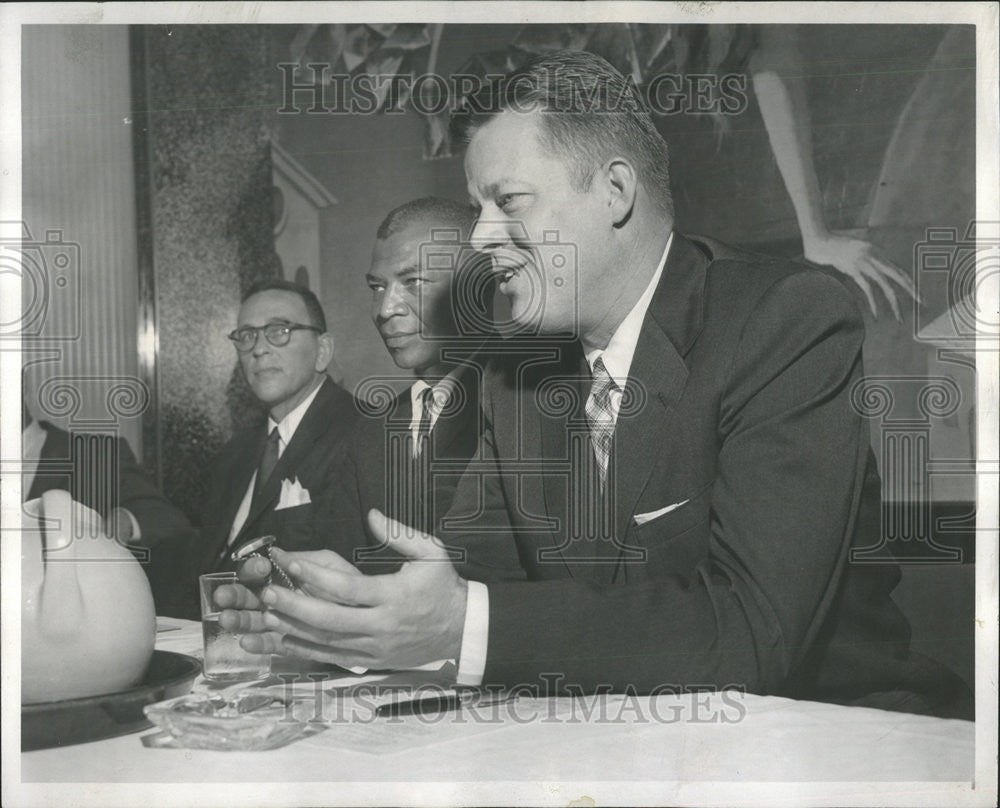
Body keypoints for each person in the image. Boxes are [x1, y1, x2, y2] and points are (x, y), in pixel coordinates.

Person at [219, 51, 967, 717]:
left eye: (508, 203)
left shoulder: (786, 321)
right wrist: (331, 602)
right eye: (477, 208)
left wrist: (461, 626)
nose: (479, 240)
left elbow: (750, 631)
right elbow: (473, 577)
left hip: (833, 741)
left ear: (614, 191)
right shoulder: (516, 373)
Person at [327, 197, 519, 578]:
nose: (384, 310)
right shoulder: (367, 431)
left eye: (413, 281)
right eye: (377, 287)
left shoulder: (530, 400)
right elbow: (342, 564)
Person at [171, 279, 358, 616]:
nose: (258, 349)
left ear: (323, 351)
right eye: (246, 336)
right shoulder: (234, 455)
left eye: (279, 331)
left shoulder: (361, 434)